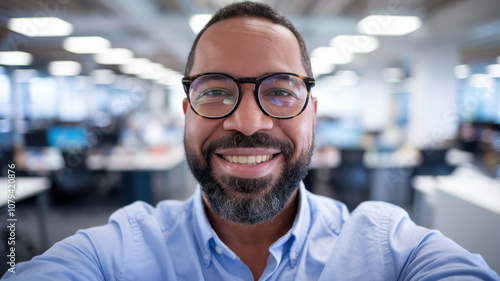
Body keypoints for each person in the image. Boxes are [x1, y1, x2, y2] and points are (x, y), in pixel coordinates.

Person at [3, 1, 499, 280]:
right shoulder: (115, 253)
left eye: (280, 92)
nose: (245, 121)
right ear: (185, 114)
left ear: (313, 115)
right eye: (216, 91)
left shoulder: (392, 249)